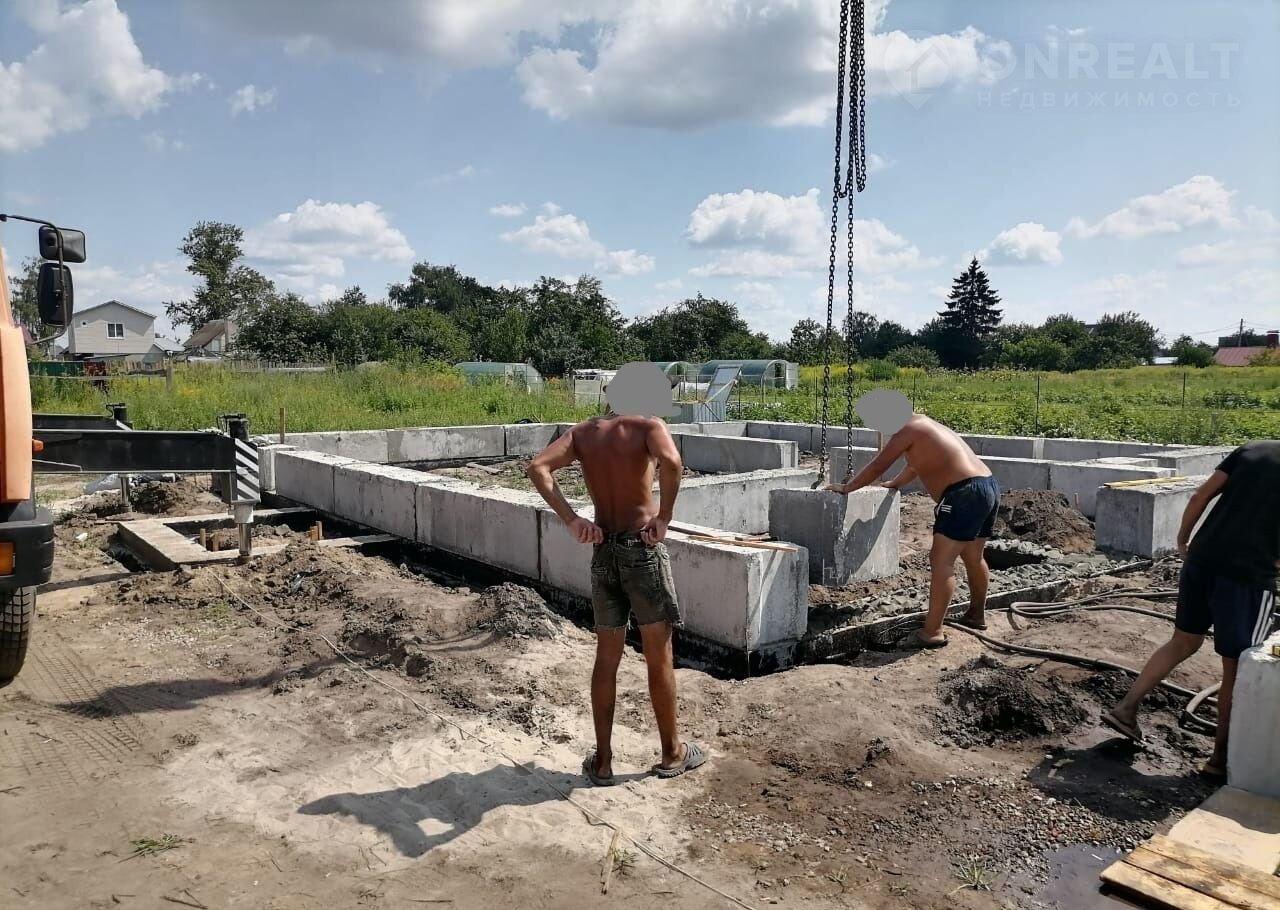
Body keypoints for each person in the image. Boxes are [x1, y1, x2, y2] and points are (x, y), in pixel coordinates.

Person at [526, 363, 708, 786]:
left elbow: (537, 468)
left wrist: (572, 519)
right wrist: (664, 518)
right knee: (658, 654)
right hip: (641, 551)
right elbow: (672, 462)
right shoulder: (648, 426)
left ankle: (604, 762)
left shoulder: (583, 433)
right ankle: (671, 753)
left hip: (604, 551)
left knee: (607, 658)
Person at [1102, 440, 1280, 782]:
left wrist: (1183, 539)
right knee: (1237, 667)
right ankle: (1219, 759)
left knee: (1182, 641)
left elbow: (1200, 496)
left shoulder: (1252, 450)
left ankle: (1125, 708)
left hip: (1202, 561)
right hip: (1248, 577)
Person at [826, 389, 999, 648]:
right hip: (986, 486)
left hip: (963, 494)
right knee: (973, 557)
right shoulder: (925, 425)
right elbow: (916, 464)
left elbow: (878, 465)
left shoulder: (907, 430)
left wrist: (847, 487)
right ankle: (976, 615)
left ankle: (932, 632)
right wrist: (895, 483)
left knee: (941, 561)